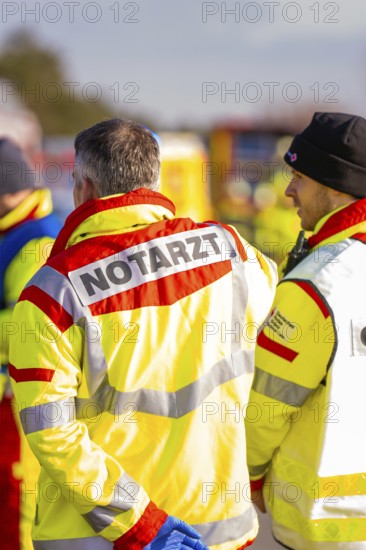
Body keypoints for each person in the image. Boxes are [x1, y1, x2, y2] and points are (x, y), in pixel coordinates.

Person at [9, 118, 277, 549]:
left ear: (87, 188)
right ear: (152, 179)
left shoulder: (52, 292)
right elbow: (279, 327)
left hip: (103, 535)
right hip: (220, 524)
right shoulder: (233, 250)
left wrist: (141, 523)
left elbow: (51, 431)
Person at [245, 111, 366, 549]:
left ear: (335, 184)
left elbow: (266, 406)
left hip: (323, 526)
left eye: (299, 176)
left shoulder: (318, 282)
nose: (289, 190)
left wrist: (249, 471)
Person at [0, 138, 62, 549]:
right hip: (14, 398)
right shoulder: (20, 229)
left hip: (23, 401)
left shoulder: (36, 240)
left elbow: (31, 327)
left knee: (16, 509)